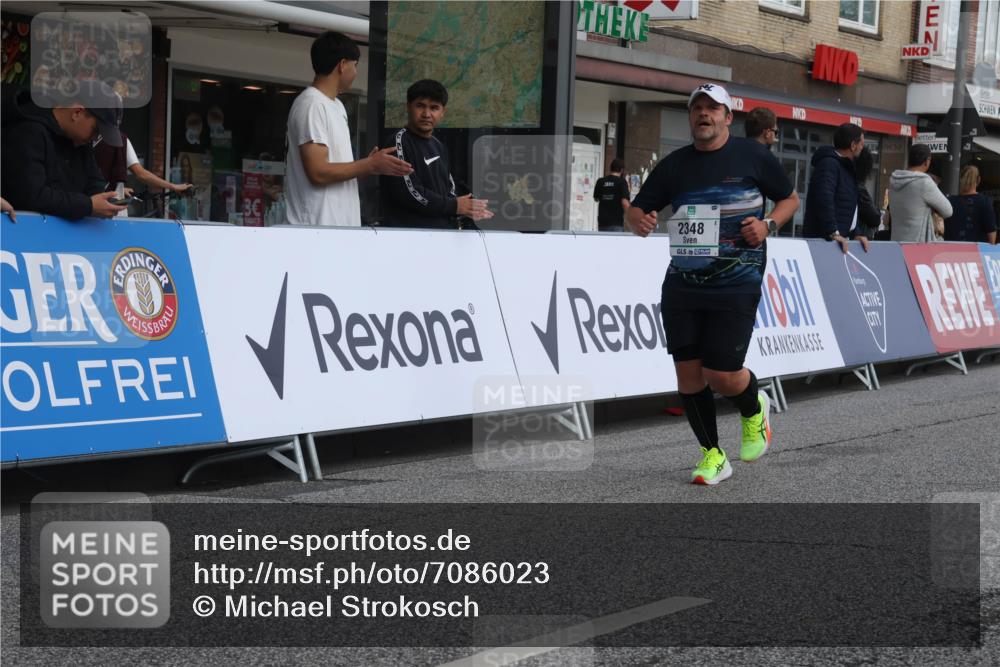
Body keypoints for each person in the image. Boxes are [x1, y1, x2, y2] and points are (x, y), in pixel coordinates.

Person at [627, 82, 799, 486]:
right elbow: (637, 210)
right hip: (683, 283)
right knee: (688, 374)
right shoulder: (674, 165)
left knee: (722, 374)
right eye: (697, 108)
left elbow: (790, 199)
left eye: (712, 108)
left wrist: (768, 224)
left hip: (737, 281)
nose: (703, 114)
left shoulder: (753, 155)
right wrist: (638, 220)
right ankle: (713, 455)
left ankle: (753, 405)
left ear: (727, 117)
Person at [285, 31, 412, 227]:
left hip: (340, 227)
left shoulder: (336, 105)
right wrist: (369, 164)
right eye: (355, 65)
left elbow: (337, 171)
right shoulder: (312, 104)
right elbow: (318, 172)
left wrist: (371, 165)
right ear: (342, 65)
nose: (356, 72)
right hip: (316, 228)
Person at [1, 83, 126, 220]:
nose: (96, 138)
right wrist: (88, 206)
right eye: (96, 130)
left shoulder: (79, 141)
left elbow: (94, 182)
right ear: (77, 113)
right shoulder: (27, 131)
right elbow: (30, 196)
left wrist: (106, 201)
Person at [380, 79, 492, 229]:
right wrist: (454, 206)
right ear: (408, 107)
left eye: (434, 108)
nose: (426, 114)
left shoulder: (438, 145)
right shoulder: (398, 142)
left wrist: (467, 208)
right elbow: (411, 193)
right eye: (420, 106)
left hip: (440, 235)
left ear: (442, 112)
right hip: (408, 237)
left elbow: (449, 187)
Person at [802, 122, 870, 253]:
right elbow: (824, 198)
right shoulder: (829, 164)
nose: (863, 148)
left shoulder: (847, 168)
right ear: (853, 145)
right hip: (825, 243)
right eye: (861, 144)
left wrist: (856, 233)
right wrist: (833, 232)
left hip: (839, 241)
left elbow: (849, 207)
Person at [887, 143, 952, 243]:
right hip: (917, 247)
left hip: (896, 243)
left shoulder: (894, 180)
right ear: (927, 161)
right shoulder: (924, 182)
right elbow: (948, 210)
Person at [944, 165, 996, 244]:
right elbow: (991, 232)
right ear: (978, 180)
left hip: (952, 250)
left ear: (960, 179)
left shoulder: (950, 201)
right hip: (976, 250)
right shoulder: (985, 201)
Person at [592, 158, 630, 232]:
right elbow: (624, 202)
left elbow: (596, 198)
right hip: (616, 223)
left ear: (611, 168)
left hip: (603, 222)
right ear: (622, 170)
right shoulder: (622, 182)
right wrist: (631, 217)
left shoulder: (600, 181)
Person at [853, 146, 882, 241]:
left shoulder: (847, 182)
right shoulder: (859, 187)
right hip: (860, 239)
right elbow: (874, 218)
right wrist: (877, 210)